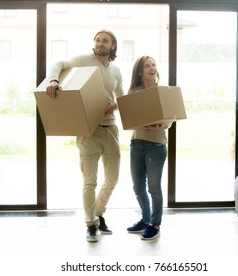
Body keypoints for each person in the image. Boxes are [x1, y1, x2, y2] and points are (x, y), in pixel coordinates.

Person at [46, 30, 124, 242]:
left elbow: (122, 98)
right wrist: (53, 80)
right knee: (90, 181)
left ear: (113, 46)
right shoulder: (84, 60)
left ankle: (98, 213)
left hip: (111, 130)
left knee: (113, 179)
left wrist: (116, 104)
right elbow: (58, 64)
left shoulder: (116, 71)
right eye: (97, 40)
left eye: (105, 41)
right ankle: (90, 223)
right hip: (88, 130)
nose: (100, 43)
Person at [126, 56, 172, 240]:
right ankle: (145, 219)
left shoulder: (163, 91)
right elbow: (128, 120)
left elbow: (171, 117)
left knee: (154, 187)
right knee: (138, 187)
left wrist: (164, 125)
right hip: (137, 144)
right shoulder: (134, 92)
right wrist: (140, 125)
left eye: (153, 65)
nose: (152, 68)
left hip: (156, 145)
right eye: (147, 66)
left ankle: (155, 223)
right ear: (140, 71)